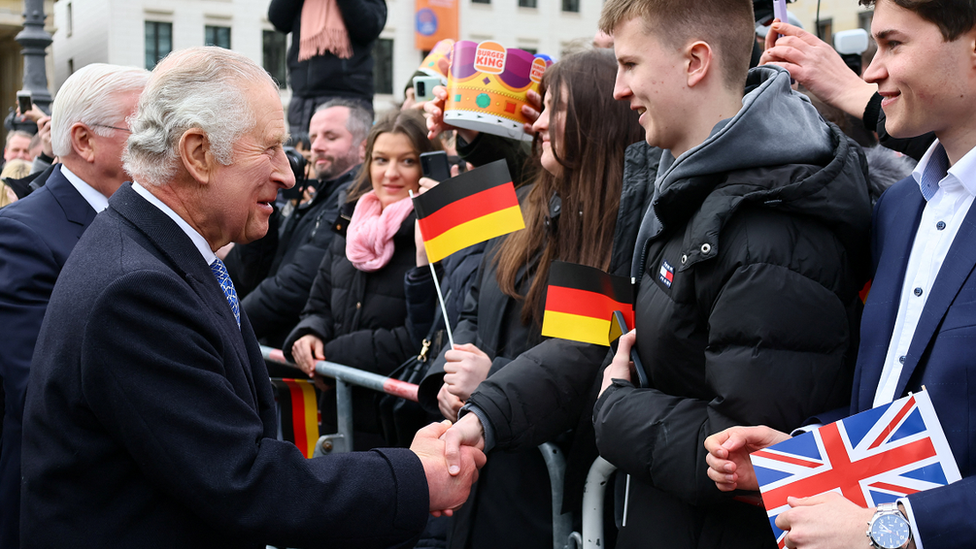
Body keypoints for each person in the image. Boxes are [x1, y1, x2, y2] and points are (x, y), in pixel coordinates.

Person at [20, 47, 483, 548]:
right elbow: (242, 481)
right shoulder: (136, 289)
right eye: (269, 148)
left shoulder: (156, 249)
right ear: (198, 153)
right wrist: (413, 477)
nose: (288, 172)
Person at [581, 0, 873, 547]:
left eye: (631, 64)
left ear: (695, 63)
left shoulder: (770, 230)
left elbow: (744, 455)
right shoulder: (688, 191)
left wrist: (614, 407)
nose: (619, 88)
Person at [705, 1, 976, 548]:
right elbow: (895, 406)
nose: (871, 71)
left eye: (893, 44)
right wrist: (800, 455)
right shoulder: (899, 209)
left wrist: (892, 530)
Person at [420, 49, 646, 549]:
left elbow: (584, 360)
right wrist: (450, 377)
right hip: (483, 476)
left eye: (554, 109)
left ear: (596, 123)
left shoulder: (621, 234)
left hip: (543, 503)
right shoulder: (524, 205)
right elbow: (471, 305)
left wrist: (491, 384)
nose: (539, 123)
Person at [0, 63, 148, 549]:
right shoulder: (22, 233)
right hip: (73, 505)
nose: (161, 141)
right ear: (84, 141)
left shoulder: (143, 217)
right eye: (145, 127)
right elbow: (39, 388)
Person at [284, 109, 440, 448]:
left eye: (407, 161)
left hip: (397, 428)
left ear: (426, 167)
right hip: (340, 414)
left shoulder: (432, 237)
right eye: (382, 160)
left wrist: (333, 357)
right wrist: (310, 333)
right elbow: (319, 302)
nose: (391, 173)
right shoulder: (350, 224)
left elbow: (420, 338)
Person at [234, 99, 370, 348]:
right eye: (314, 136)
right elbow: (256, 267)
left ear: (363, 147)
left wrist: (231, 325)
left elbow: (296, 284)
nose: (316, 146)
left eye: (330, 137)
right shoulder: (322, 196)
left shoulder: (353, 198)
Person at [268, 0, 386, 133]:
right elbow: (277, 19)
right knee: (305, 151)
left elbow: (369, 26)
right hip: (304, 98)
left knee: (344, 152)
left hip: (349, 96)